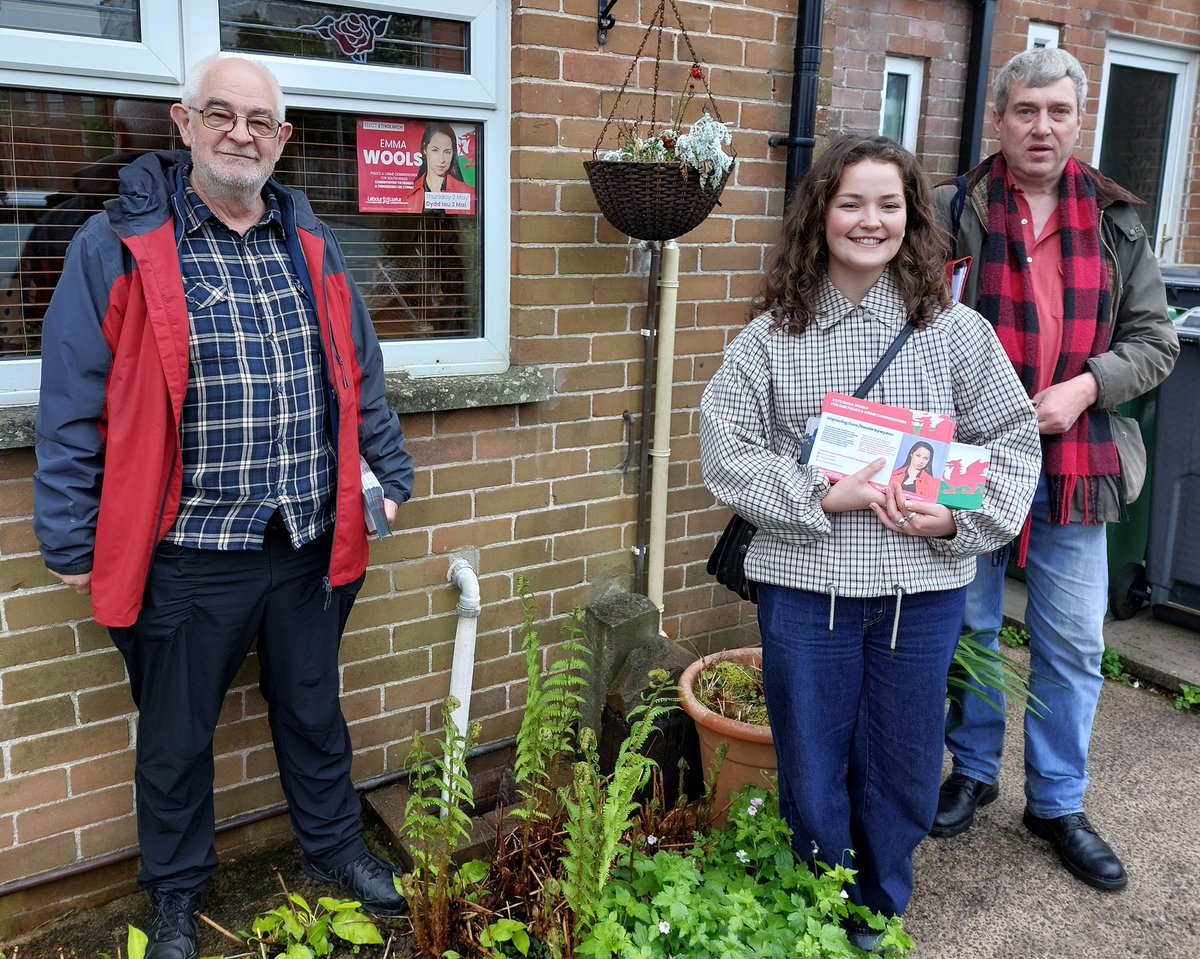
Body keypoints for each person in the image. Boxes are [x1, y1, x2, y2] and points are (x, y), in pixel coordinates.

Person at [32, 54, 415, 959]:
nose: (240, 132)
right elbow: (72, 398)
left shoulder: (310, 242)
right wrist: (69, 532)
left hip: (307, 535)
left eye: (260, 121)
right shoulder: (119, 243)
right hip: (190, 548)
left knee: (314, 708)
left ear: (282, 140)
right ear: (184, 123)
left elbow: (360, 371)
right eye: (221, 114)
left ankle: (332, 849)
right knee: (174, 738)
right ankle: (175, 896)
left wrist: (389, 477)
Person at [700, 134, 1040, 950]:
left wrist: (957, 518)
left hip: (916, 592)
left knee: (904, 758)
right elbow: (726, 451)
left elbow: (1014, 441)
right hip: (805, 583)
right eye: (851, 201)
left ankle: (880, 901)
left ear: (912, 217)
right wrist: (826, 492)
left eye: (889, 204)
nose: (870, 220)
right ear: (819, 214)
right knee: (812, 758)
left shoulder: (956, 332)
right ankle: (822, 889)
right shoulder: (770, 335)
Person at [929, 46, 1178, 892]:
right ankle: (971, 770)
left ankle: (1059, 802)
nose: (1042, 127)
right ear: (998, 119)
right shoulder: (950, 208)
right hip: (968, 458)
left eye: (1058, 112)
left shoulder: (1119, 222)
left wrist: (1084, 388)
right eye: (1025, 111)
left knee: (1073, 641)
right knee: (969, 630)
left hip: (1080, 456)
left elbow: (1157, 341)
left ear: (1080, 121)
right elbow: (907, 326)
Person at [406, 121, 471, 212]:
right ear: (425, 149)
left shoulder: (469, 193)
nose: (441, 159)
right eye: (435, 150)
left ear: (453, 153)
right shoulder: (408, 195)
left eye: (447, 152)